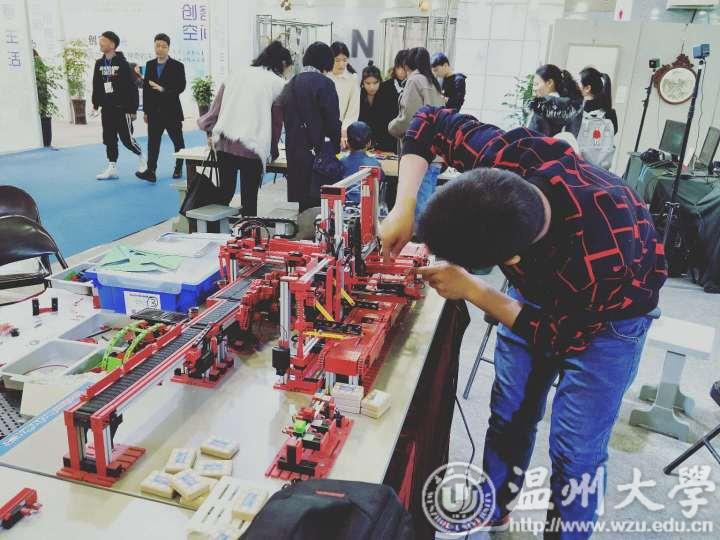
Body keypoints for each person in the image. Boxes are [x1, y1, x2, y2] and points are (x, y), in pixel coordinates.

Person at [380, 105, 667, 537]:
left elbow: (558, 336)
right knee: (509, 415)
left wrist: (476, 291)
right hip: (551, 290)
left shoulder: (602, 256)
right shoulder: (507, 157)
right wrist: (405, 207)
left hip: (611, 320)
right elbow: (428, 121)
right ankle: (493, 510)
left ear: (513, 262)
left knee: (576, 452)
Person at [197, 41, 290, 215]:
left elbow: (215, 109)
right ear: (283, 64)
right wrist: (273, 151)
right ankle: (248, 230)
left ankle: (218, 229)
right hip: (252, 147)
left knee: (224, 193)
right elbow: (276, 124)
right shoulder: (278, 84)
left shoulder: (236, 74)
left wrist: (209, 129)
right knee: (249, 199)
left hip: (225, 142)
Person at [279, 42, 341, 212]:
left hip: (295, 153)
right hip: (319, 155)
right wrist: (335, 147)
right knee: (321, 208)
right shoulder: (325, 84)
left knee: (304, 206)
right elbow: (332, 121)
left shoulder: (290, 84)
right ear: (326, 62)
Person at [388, 47, 444, 222]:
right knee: (426, 206)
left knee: (418, 209)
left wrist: (392, 127)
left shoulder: (414, 81)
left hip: (418, 154)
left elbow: (408, 119)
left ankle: (421, 239)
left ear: (406, 65)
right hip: (434, 154)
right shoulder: (432, 82)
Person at [92, 31, 146, 180]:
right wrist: (95, 104)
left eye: (103, 41)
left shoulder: (123, 64)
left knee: (127, 140)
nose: (100, 43)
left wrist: (132, 109)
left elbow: (132, 88)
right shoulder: (99, 64)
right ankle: (112, 167)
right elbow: (96, 85)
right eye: (100, 40)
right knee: (109, 139)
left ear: (112, 44)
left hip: (122, 109)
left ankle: (142, 157)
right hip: (107, 109)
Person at [136, 33, 187, 183]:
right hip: (154, 112)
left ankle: (178, 167)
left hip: (172, 111)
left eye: (163, 46)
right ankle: (151, 171)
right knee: (153, 143)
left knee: (178, 142)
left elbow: (181, 87)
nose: (160, 49)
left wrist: (163, 89)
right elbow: (146, 90)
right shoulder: (150, 64)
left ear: (168, 48)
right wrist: (146, 111)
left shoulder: (177, 66)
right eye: (157, 45)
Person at [377, 49, 409, 210]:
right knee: (389, 179)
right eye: (399, 67)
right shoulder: (385, 87)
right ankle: (389, 210)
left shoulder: (413, 87)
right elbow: (379, 116)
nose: (402, 71)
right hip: (386, 139)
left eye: (405, 68)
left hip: (406, 140)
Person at [576, 67, 618, 170]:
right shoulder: (610, 114)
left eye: (577, 83)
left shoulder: (576, 110)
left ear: (587, 88)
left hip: (576, 168)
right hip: (598, 172)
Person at [527, 64, 583, 137]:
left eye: (536, 84)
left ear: (550, 83)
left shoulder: (540, 105)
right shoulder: (574, 107)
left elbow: (530, 138)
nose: (534, 88)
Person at [339, 121, 384, 204]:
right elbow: (380, 185)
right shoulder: (375, 165)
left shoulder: (341, 163)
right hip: (368, 207)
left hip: (345, 207)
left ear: (347, 142)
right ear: (369, 143)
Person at [327, 42, 360, 150]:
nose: (341, 64)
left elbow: (353, 110)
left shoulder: (352, 78)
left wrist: (344, 129)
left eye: (345, 60)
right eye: (337, 60)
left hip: (344, 131)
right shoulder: (325, 77)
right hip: (324, 129)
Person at [358, 62, 395, 152]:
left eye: (375, 83)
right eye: (368, 83)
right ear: (363, 83)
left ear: (380, 81)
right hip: (363, 143)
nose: (372, 87)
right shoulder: (359, 95)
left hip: (385, 143)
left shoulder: (387, 95)